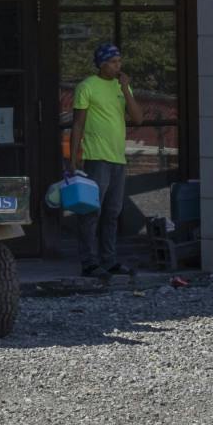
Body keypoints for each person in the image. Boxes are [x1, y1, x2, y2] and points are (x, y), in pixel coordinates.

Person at [68, 42, 140, 278]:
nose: (118, 66)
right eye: (113, 62)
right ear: (102, 64)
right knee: (91, 212)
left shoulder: (121, 87)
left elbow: (138, 118)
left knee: (112, 211)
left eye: (119, 61)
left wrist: (126, 89)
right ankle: (89, 261)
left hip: (118, 157)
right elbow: (78, 124)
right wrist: (74, 156)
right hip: (95, 157)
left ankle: (109, 260)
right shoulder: (87, 86)